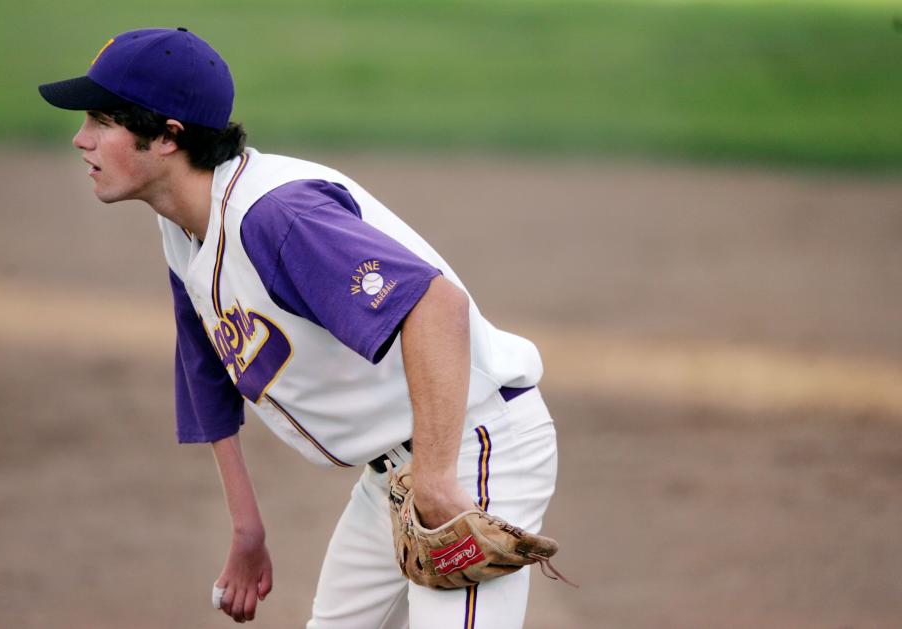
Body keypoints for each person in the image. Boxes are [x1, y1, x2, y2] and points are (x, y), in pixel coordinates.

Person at [39, 27, 559, 629]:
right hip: (392, 478)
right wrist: (245, 527)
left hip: (473, 447)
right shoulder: (182, 226)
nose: (82, 140)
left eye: (103, 121)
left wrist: (439, 482)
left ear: (166, 136)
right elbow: (207, 371)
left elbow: (437, 307)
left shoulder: (276, 217)